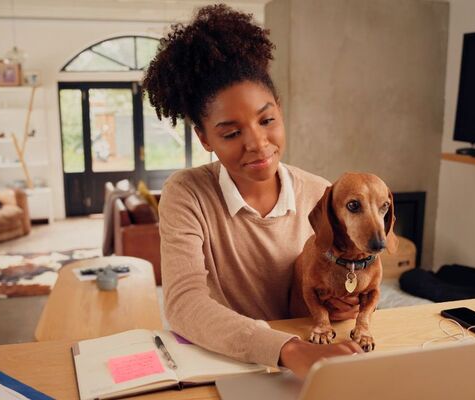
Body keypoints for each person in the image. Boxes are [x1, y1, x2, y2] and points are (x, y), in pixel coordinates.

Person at [142, 4, 363, 378]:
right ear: (204, 138)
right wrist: (286, 350)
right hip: (228, 359)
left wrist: (344, 305)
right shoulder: (187, 193)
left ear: (280, 109)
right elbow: (183, 303)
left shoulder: (322, 194)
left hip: (310, 358)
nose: (258, 144)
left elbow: (343, 289)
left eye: (267, 120)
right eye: (231, 133)